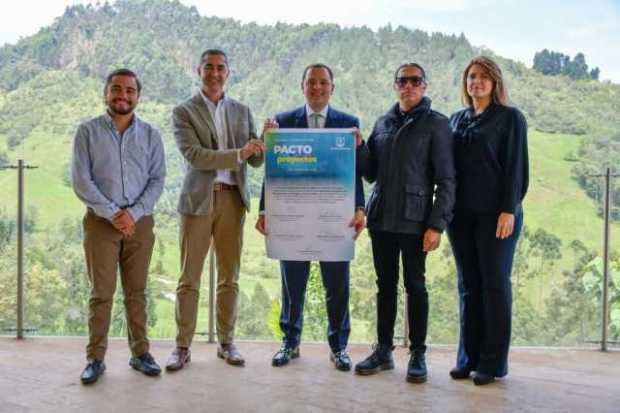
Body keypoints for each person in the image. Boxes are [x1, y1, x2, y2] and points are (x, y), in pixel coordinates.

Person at [255, 63, 366, 371]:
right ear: (302, 86)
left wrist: (360, 208)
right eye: (311, 82)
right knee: (292, 284)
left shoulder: (349, 124)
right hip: (294, 217)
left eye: (323, 82)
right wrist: (265, 209)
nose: (317, 88)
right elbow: (272, 171)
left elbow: (355, 173)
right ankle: (289, 343)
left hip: (335, 218)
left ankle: (339, 347)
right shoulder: (283, 122)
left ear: (332, 87)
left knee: (337, 286)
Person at [355, 63, 455, 383]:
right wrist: (359, 147)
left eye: (415, 81)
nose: (408, 85)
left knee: (415, 287)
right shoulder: (383, 122)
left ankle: (418, 353)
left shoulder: (437, 124)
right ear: (395, 85)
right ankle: (383, 351)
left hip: (416, 221)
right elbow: (370, 172)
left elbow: (447, 180)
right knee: (385, 287)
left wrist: (437, 225)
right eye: (402, 80)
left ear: (424, 86)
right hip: (382, 219)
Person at [166, 49, 265, 371]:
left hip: (232, 200)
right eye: (209, 67)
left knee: (229, 277)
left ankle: (227, 343)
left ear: (228, 72)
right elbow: (196, 156)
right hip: (198, 201)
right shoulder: (184, 111)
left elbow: (255, 159)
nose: (214, 72)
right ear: (199, 70)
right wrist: (240, 152)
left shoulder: (242, 110)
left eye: (220, 68)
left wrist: (264, 141)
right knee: (188, 278)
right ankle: (182, 347)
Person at [72, 68, 166, 384]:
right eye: (116, 89)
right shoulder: (87, 132)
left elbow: (157, 180)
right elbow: (81, 181)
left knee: (136, 292)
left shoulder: (151, 135)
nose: (122, 95)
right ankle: (95, 359)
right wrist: (114, 213)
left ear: (138, 96)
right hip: (100, 223)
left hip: (140, 223)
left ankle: (140, 354)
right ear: (106, 93)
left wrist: (134, 213)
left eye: (129, 90)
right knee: (101, 293)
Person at [447, 56, 529, 386]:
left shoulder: (510, 119)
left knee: (495, 285)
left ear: (495, 83)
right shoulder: (456, 120)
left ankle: (492, 364)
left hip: (498, 217)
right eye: (470, 77)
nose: (475, 82)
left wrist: (509, 209)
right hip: (461, 217)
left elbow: (516, 167)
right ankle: (468, 359)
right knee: (469, 286)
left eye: (482, 77)